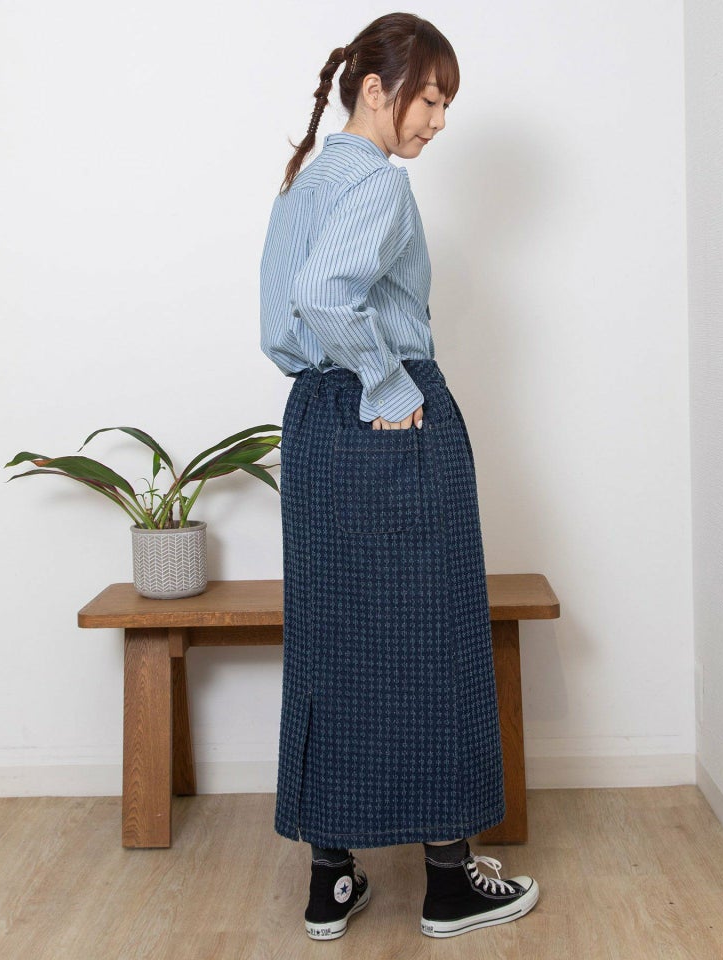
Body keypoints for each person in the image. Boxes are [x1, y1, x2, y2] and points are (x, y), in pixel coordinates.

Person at [259, 12, 539, 941]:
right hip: (391, 415)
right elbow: (325, 296)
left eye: (447, 103)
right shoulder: (376, 181)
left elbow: (280, 326)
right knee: (436, 632)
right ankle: (449, 883)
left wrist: (346, 384)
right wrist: (387, 383)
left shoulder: (304, 178)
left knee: (332, 636)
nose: (440, 121)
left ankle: (330, 881)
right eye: (431, 98)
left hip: (313, 422)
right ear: (376, 90)